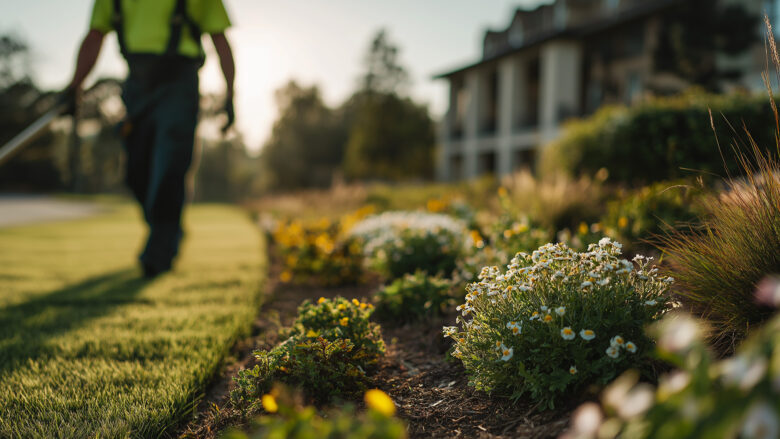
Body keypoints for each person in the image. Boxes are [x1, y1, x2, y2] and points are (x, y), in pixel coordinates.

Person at [65, 0, 236, 278]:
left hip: (179, 84)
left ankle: (159, 251)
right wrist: (75, 86)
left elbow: (220, 39)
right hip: (137, 86)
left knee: (170, 166)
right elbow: (95, 35)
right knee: (136, 172)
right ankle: (168, 229)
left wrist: (231, 93)